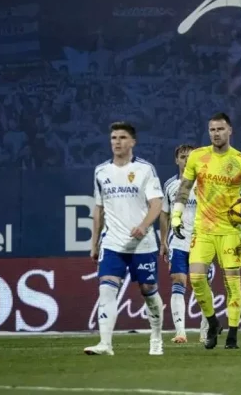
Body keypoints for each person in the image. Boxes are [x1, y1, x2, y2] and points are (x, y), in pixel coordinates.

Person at [170, 112, 241, 350]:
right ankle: (213, 322)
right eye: (212, 130)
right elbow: (184, 187)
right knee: (195, 278)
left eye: (220, 129)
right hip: (202, 230)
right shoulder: (197, 156)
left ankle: (233, 335)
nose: (216, 134)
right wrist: (176, 214)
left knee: (232, 284)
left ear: (230, 131)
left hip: (230, 232)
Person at [84, 122, 165, 356]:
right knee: (107, 289)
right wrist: (94, 243)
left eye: (122, 137)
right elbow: (98, 209)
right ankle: (105, 344)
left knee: (148, 290)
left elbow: (157, 204)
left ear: (133, 142)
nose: (116, 142)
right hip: (113, 243)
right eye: (113, 138)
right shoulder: (101, 172)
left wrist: (143, 225)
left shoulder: (145, 169)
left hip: (143, 243)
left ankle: (157, 338)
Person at [160, 144, 213, 344]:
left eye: (190, 157)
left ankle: (205, 331)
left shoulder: (205, 184)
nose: (186, 160)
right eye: (183, 157)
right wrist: (163, 241)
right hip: (178, 242)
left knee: (202, 284)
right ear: (177, 160)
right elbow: (164, 213)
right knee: (178, 280)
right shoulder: (169, 185)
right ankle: (180, 332)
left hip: (201, 241)